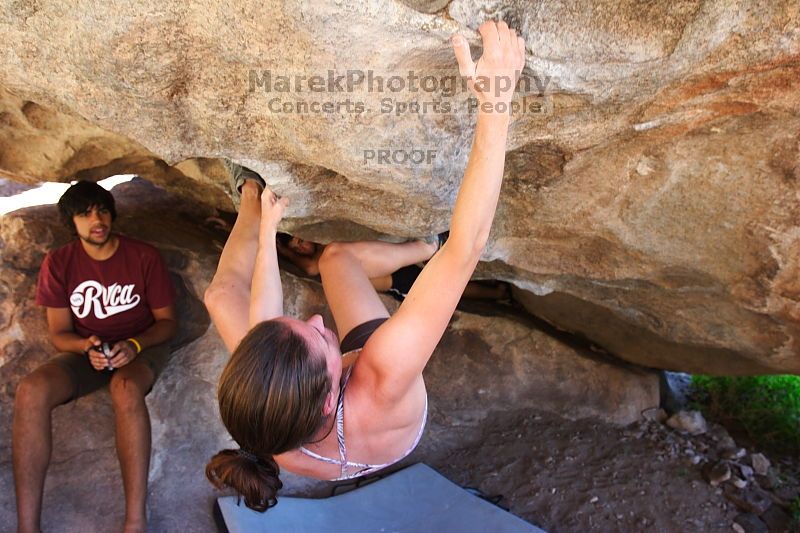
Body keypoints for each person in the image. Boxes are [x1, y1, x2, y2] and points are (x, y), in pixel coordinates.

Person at [204, 20, 525, 511]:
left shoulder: (271, 424)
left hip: (330, 430)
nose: (317, 318)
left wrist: (267, 230)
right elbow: (468, 246)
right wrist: (496, 98)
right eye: (319, 335)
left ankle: (249, 192)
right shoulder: (382, 371)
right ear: (330, 394)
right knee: (343, 258)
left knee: (224, 296)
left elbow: (264, 325)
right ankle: (426, 247)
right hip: (381, 420)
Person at [12, 181, 178, 533]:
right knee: (31, 391)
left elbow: (166, 324)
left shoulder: (143, 256)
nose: (96, 219)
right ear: (71, 223)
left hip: (141, 347)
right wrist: (85, 346)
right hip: (92, 352)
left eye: (102, 210)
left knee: (125, 387)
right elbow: (59, 334)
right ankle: (28, 527)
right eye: (84, 214)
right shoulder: (59, 262)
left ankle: (135, 521)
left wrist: (134, 345)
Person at [276, 232, 511, 302]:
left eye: (298, 240)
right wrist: (284, 250)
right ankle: (498, 293)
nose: (302, 246)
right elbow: (308, 269)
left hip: (390, 263)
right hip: (397, 282)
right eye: (297, 247)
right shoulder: (322, 262)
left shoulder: (321, 245)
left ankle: (494, 286)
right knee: (451, 287)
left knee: (448, 277)